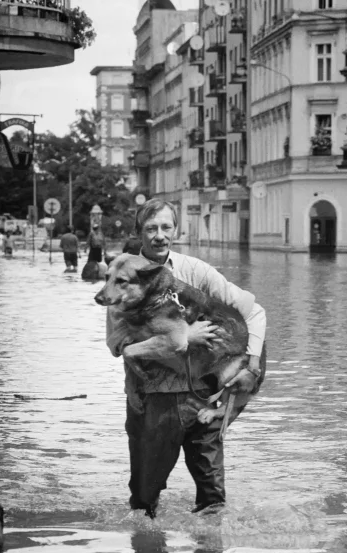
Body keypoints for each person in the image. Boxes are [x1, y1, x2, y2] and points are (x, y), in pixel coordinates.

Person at [106, 198, 266, 518]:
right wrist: (184, 337)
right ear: (139, 233)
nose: (159, 235)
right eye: (151, 228)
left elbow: (254, 310)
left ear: (176, 230)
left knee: (213, 498)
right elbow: (116, 343)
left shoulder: (196, 270)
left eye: (166, 227)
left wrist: (251, 361)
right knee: (144, 503)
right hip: (153, 400)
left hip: (204, 398)